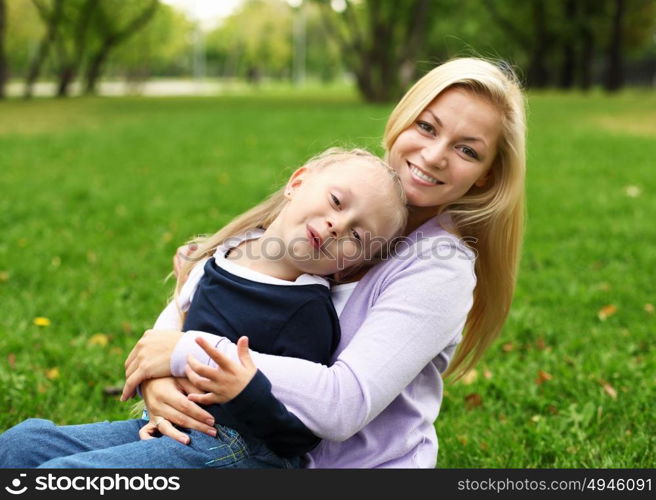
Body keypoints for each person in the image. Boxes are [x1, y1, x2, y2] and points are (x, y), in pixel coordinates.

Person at [117, 57, 527, 468]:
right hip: (238, 436)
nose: (435, 155)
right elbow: (210, 283)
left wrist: (188, 353)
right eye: (426, 126)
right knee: (50, 447)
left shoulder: (441, 268)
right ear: (401, 120)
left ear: (485, 176)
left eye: (467, 150)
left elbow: (345, 402)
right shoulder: (350, 194)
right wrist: (158, 375)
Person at [0, 149, 407, 468]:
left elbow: (297, 442)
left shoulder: (306, 309)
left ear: (351, 264)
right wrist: (153, 382)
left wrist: (248, 392)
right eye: (337, 201)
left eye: (358, 235)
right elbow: (172, 326)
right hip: (170, 426)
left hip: (240, 451)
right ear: (297, 182)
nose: (339, 225)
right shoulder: (230, 250)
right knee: (23, 445)